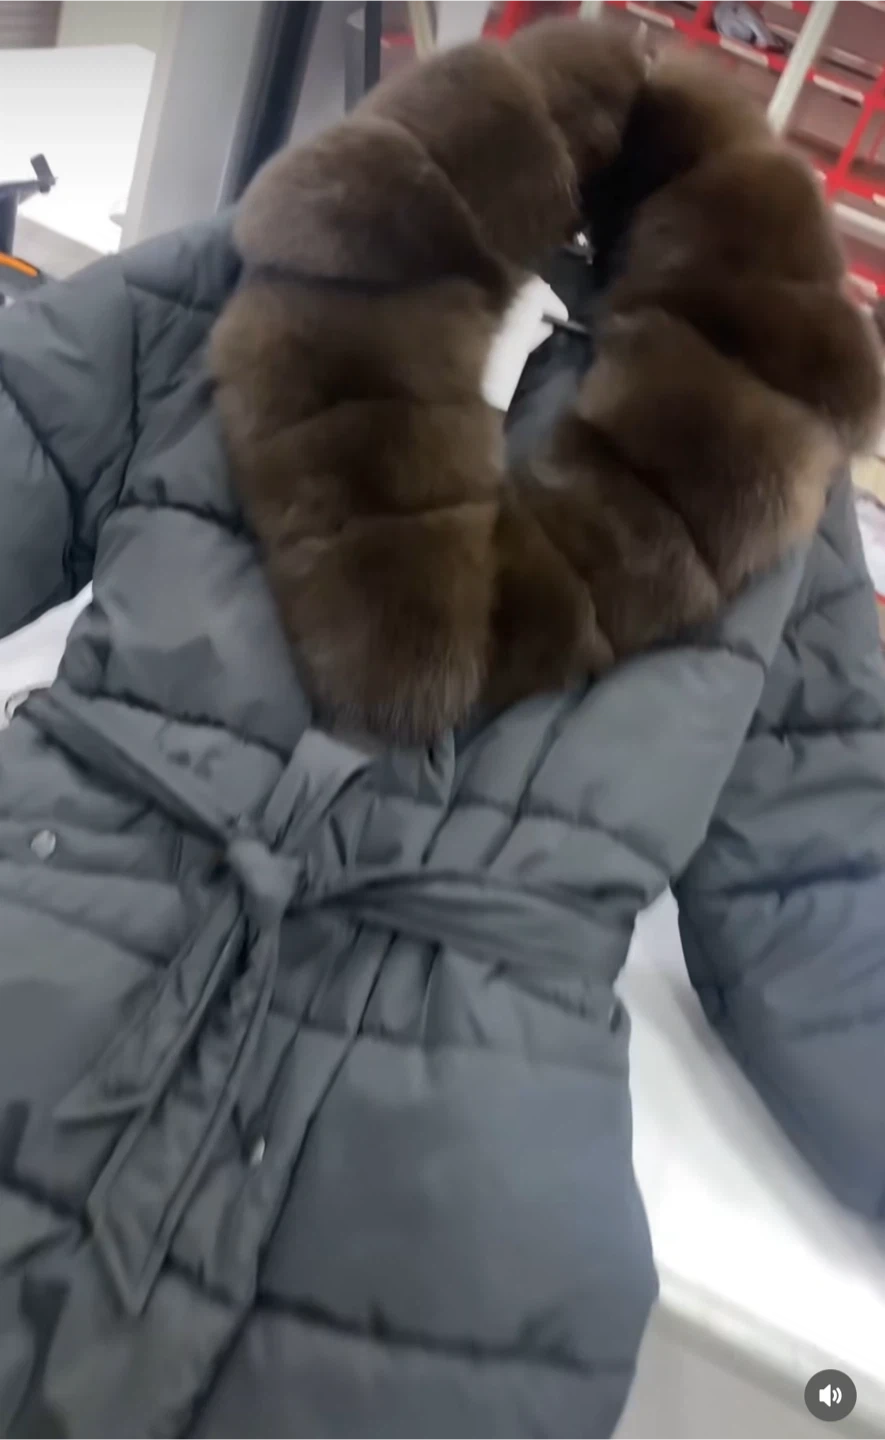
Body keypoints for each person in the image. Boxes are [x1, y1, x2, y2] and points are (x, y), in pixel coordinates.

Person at [1, 33, 885, 1440]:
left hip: (440, 1142)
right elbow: (24, 428)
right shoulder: (273, 271)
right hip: (65, 933)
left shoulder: (764, 477)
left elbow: (825, 871)